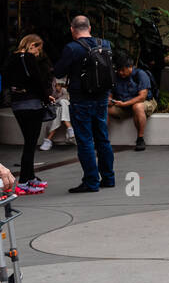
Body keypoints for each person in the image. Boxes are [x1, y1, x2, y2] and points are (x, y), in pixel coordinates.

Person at [53, 15, 116, 194]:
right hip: (102, 97)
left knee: (85, 141)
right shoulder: (105, 44)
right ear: (89, 27)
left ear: (72, 29)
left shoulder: (72, 48)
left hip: (81, 99)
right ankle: (109, 178)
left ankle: (91, 181)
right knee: (102, 138)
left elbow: (59, 71)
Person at [3, 35, 53, 195]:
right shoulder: (29, 58)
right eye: (38, 48)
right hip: (32, 105)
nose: (38, 53)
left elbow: (5, 79)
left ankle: (30, 177)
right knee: (31, 144)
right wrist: (46, 97)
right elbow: (37, 81)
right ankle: (24, 181)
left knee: (28, 142)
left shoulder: (11, 58)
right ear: (32, 45)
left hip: (18, 105)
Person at [107, 54, 157, 152]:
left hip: (143, 102)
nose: (120, 73)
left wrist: (125, 104)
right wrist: (109, 100)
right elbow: (110, 93)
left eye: (123, 70)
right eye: (118, 70)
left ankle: (140, 138)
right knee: (104, 108)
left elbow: (142, 97)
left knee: (137, 106)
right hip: (122, 105)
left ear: (130, 67)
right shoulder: (115, 76)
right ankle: (102, 139)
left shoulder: (140, 74)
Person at [39, 78, 74, 149]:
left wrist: (62, 93)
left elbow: (67, 97)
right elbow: (52, 98)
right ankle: (69, 127)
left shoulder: (70, 78)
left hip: (70, 106)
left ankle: (48, 139)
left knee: (63, 102)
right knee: (60, 107)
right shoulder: (54, 81)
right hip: (58, 107)